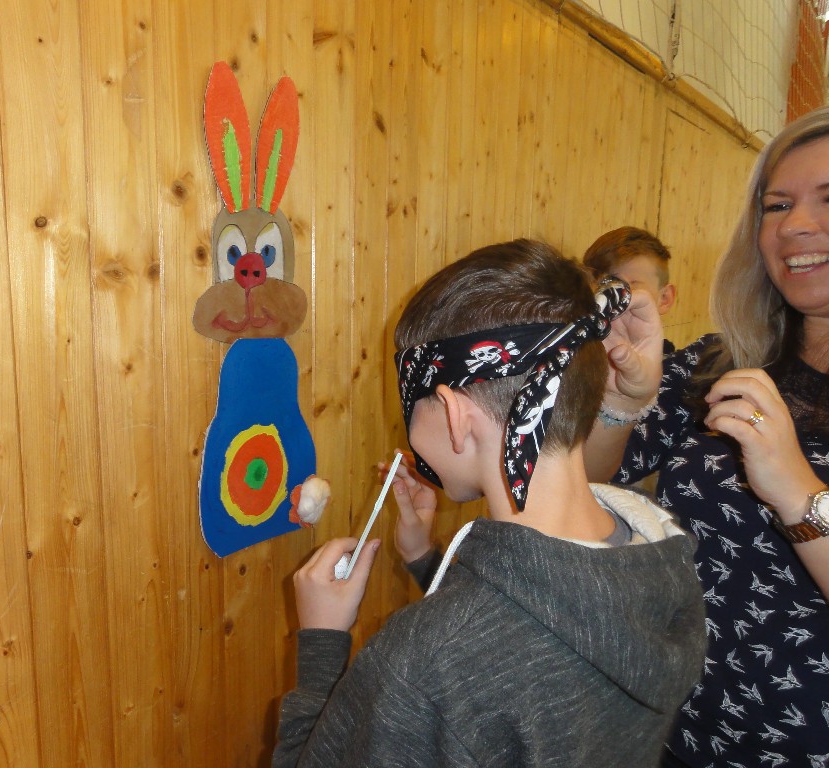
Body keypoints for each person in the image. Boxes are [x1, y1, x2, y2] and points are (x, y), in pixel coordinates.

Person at [273, 240, 706, 767]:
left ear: (454, 415)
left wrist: (321, 642)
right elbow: (542, 622)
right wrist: (425, 559)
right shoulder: (660, 555)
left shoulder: (420, 667)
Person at [585, 107, 829, 767]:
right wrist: (620, 402)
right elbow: (593, 481)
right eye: (777, 205)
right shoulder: (721, 362)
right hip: (681, 730)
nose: (796, 225)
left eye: (827, 198)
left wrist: (799, 493)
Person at [583, 226, 678, 354]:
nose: (610, 303)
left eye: (625, 291)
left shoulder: (677, 365)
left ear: (665, 299)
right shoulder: (571, 356)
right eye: (598, 291)